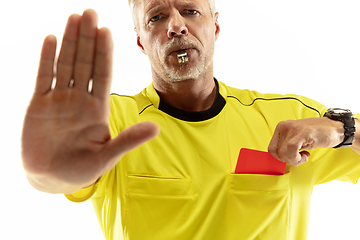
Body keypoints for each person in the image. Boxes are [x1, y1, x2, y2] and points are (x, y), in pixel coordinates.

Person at [21, 0, 360, 239]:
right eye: (156, 17)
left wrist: (345, 129)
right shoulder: (112, 122)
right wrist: (46, 171)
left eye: (190, 11)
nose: (176, 26)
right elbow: (55, 178)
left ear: (214, 26)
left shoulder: (289, 118)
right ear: (141, 41)